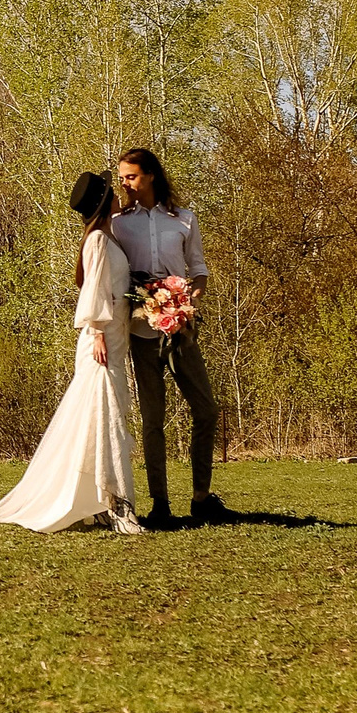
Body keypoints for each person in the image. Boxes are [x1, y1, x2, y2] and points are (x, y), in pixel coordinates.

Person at [0, 171, 145, 536]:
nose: (119, 196)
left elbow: (113, 285)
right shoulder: (97, 243)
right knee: (107, 422)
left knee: (101, 421)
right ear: (105, 203)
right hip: (101, 342)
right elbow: (93, 292)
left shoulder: (106, 236)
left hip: (114, 340)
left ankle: (101, 502)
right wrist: (98, 332)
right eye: (113, 193)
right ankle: (118, 504)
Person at [108, 146, 229, 528]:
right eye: (123, 177)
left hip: (183, 332)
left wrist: (190, 300)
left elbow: (199, 269)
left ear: (151, 176)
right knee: (153, 420)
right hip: (142, 333)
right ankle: (160, 504)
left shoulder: (184, 220)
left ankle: (201, 497)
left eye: (131, 176)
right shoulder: (119, 224)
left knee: (206, 409)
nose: (125, 183)